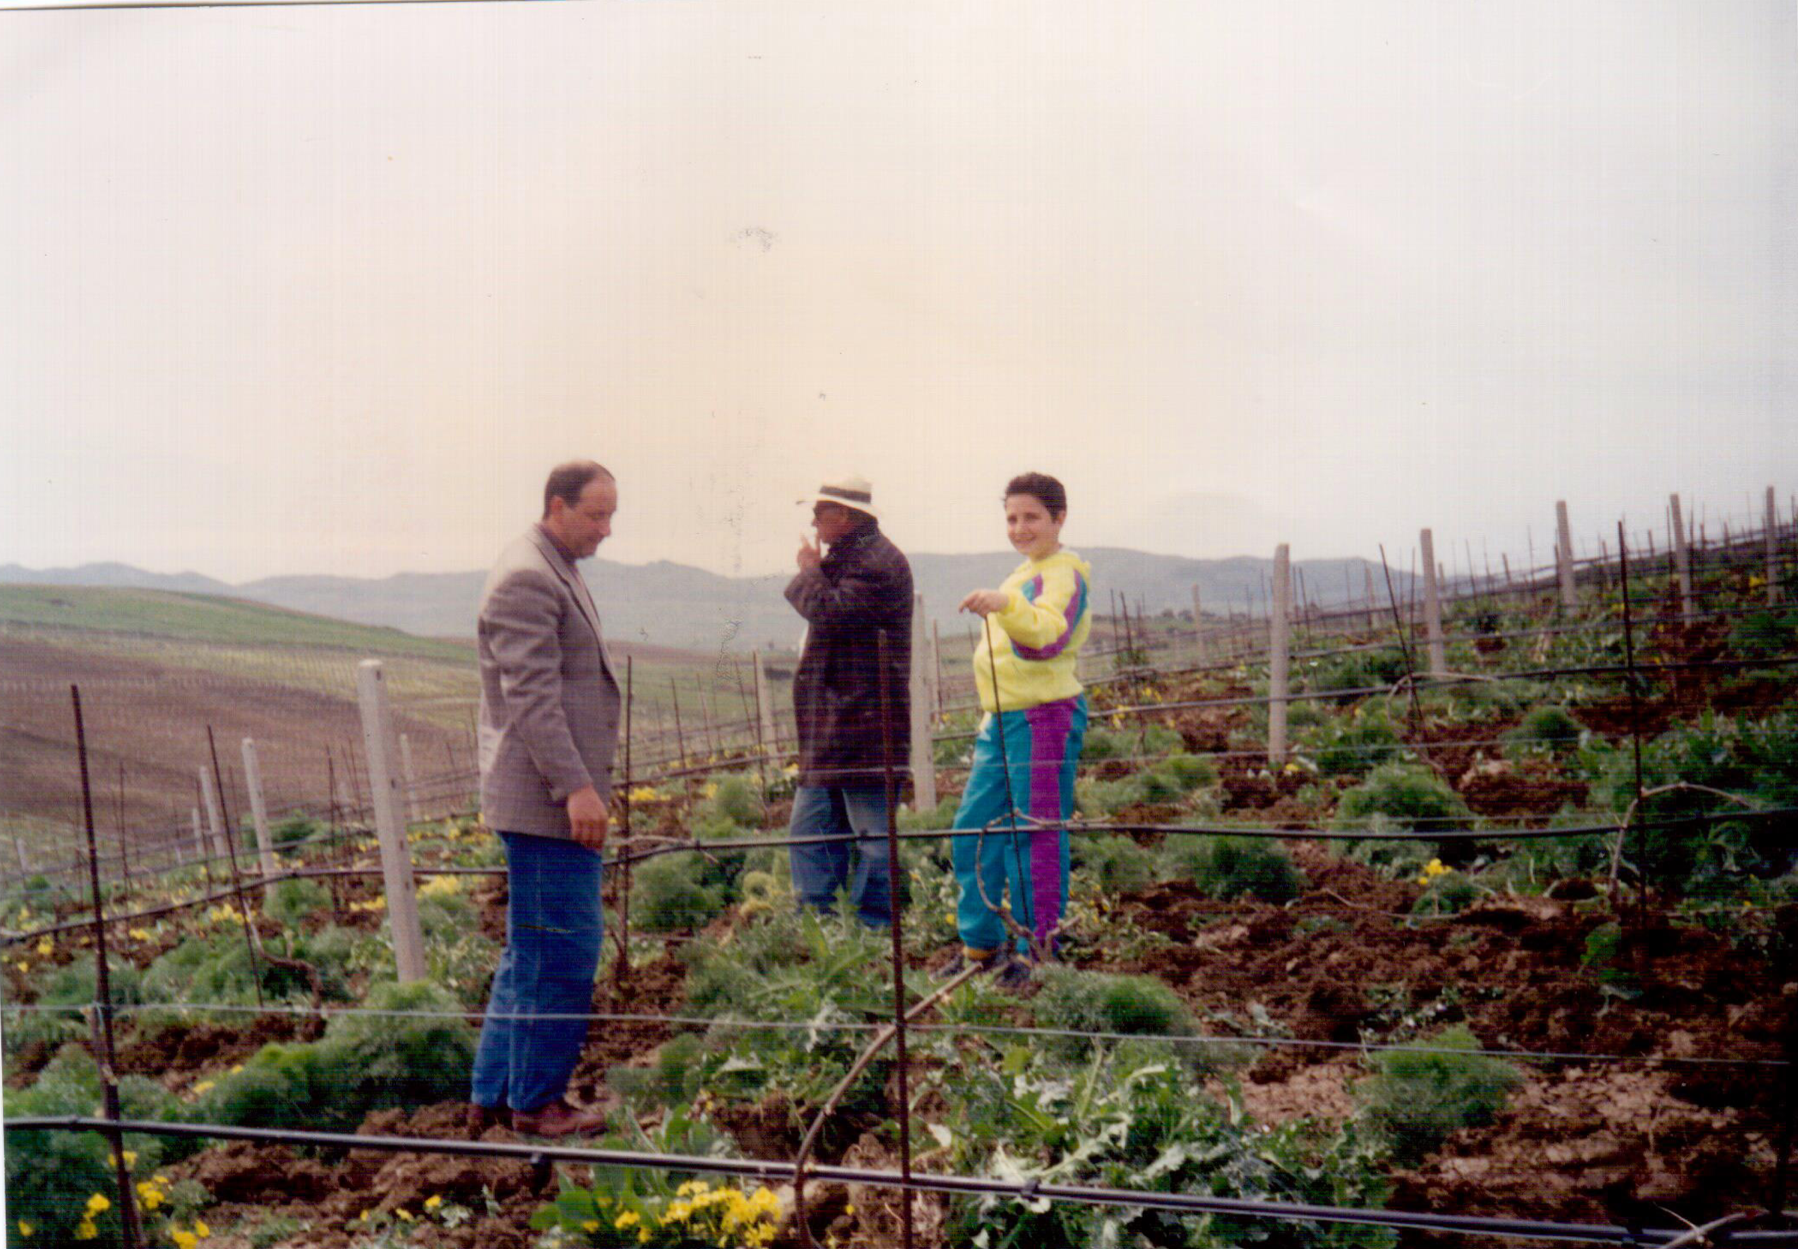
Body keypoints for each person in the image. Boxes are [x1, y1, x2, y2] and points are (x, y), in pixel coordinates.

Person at [467, 460, 620, 1138]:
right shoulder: (529, 574)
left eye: (611, 515)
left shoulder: (549, 562)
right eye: (595, 514)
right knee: (565, 947)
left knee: (529, 951)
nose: (605, 529)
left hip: (546, 799)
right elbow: (532, 698)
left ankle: (495, 1095)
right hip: (548, 802)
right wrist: (577, 786)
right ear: (556, 505)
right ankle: (538, 1103)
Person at [942, 472, 1091, 984]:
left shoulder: (1063, 573)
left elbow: (1048, 637)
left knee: (1035, 834)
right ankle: (981, 946)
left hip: (1044, 717)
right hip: (1002, 720)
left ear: (1059, 518)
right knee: (972, 829)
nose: (1020, 528)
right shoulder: (1023, 574)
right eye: (1011, 518)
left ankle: (1036, 948)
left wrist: (1005, 606)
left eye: (1031, 517)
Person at [783, 474, 914, 927]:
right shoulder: (854, 557)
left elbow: (831, 611)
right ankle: (820, 929)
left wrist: (807, 570)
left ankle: (874, 930)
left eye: (820, 513)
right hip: (837, 726)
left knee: (874, 838)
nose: (814, 522)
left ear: (843, 515)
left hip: (864, 723)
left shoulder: (878, 564)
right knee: (810, 831)